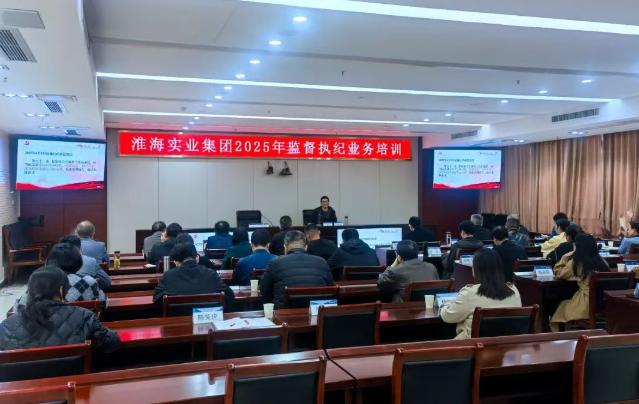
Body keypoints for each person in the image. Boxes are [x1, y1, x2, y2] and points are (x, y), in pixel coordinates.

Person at [0, 266, 120, 352]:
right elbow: (112, 342)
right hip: (74, 379)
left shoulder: (6, 326)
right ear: (62, 290)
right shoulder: (84, 317)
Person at [440, 249, 522, 339]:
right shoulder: (514, 290)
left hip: (472, 345)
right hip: (507, 344)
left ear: (476, 269)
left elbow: (448, 317)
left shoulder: (469, 293)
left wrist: (445, 304)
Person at [13, 243, 107, 311]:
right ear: (78, 262)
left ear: (49, 261)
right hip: (81, 331)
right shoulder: (89, 282)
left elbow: (18, 309)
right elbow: (103, 304)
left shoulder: (37, 282)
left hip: (39, 332)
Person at [550, 234, 610, 331]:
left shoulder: (576, 262)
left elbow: (559, 274)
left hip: (585, 304)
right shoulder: (603, 261)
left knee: (562, 304)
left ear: (577, 247)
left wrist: (565, 257)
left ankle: (561, 335)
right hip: (604, 304)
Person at [260, 231, 334, 309]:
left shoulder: (274, 263)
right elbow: (330, 290)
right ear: (306, 247)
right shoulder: (322, 262)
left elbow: (265, 291)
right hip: (316, 313)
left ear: (285, 247)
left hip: (284, 314)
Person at [153, 241, 232, 305]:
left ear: (175, 261)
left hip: (177, 318)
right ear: (197, 258)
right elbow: (230, 295)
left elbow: (156, 300)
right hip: (206, 317)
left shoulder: (168, 276)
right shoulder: (211, 274)